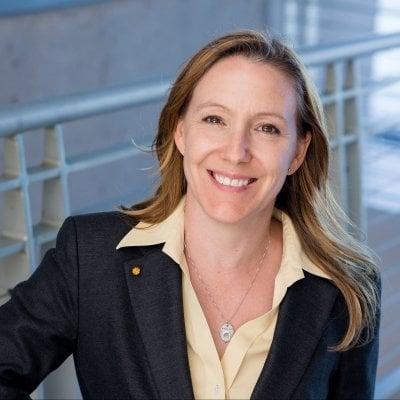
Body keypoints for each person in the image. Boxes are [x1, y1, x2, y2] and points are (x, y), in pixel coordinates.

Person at [0, 30, 380, 399]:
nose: (236, 152)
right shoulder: (92, 257)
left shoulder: (346, 288)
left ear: (297, 152)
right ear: (181, 131)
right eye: (214, 119)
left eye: (267, 128)